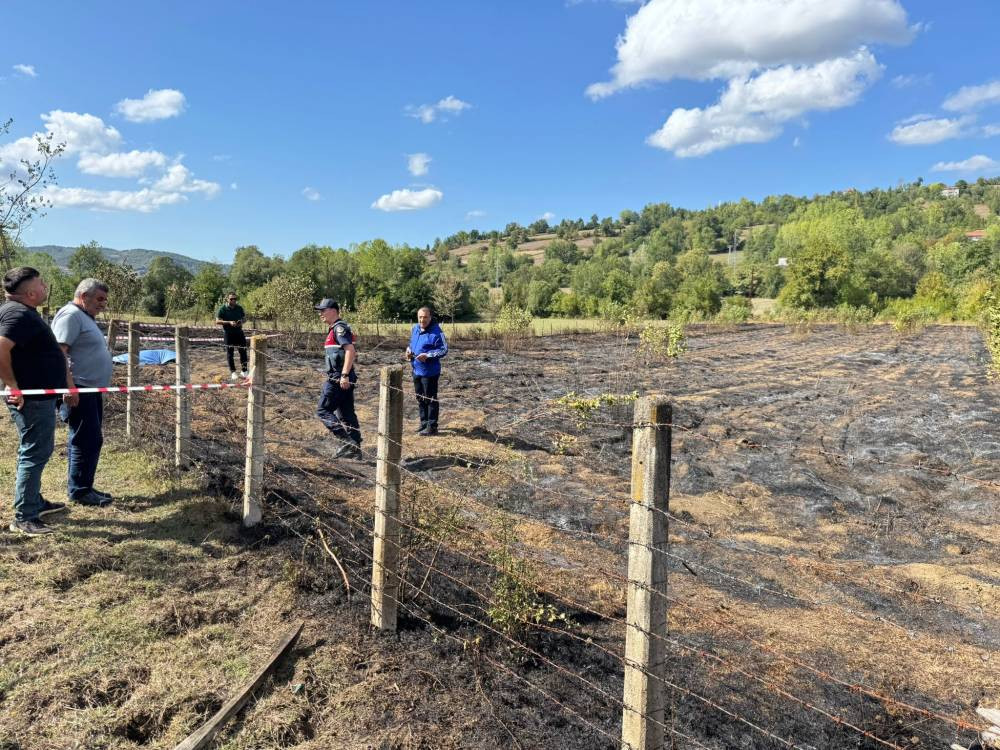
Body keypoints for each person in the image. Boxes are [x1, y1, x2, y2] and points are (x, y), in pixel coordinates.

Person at [0, 267, 76, 536]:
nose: (46, 287)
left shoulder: (23, 313)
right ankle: (25, 516)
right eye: (42, 284)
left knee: (37, 449)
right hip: (31, 398)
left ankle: (33, 502)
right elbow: (0, 348)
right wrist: (13, 386)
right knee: (35, 451)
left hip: (39, 395)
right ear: (31, 292)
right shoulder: (17, 314)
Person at [51, 279, 114, 508]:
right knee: (85, 439)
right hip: (79, 388)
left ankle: (83, 487)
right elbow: (59, 353)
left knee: (88, 438)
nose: (103, 304)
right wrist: (69, 387)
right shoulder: (71, 315)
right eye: (99, 299)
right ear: (83, 295)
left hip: (89, 389)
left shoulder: (84, 316)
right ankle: (79, 491)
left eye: (105, 299)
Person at [314, 299, 362, 458]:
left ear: (333, 310)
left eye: (323, 310)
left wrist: (344, 375)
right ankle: (355, 451)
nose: (320, 313)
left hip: (338, 377)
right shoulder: (334, 329)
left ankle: (348, 443)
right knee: (347, 414)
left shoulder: (339, 328)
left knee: (323, 410)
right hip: (342, 377)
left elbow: (350, 351)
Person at [405, 306, 448, 436]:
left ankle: (432, 426)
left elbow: (444, 350)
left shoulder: (437, 332)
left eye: (425, 317)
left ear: (430, 317)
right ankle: (424, 423)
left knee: (430, 399)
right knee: (420, 398)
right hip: (416, 369)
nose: (422, 320)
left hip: (430, 372)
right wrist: (408, 350)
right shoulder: (415, 328)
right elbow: (411, 344)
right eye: (420, 317)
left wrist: (428, 355)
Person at [216, 292, 248, 380]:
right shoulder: (222, 309)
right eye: (231, 299)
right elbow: (217, 321)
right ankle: (233, 372)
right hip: (228, 333)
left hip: (239, 332)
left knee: (243, 351)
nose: (233, 300)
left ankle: (244, 370)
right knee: (230, 353)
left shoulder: (239, 308)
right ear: (227, 299)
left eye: (235, 299)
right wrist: (229, 322)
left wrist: (241, 321)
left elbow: (245, 318)